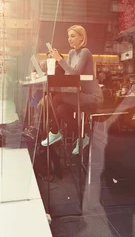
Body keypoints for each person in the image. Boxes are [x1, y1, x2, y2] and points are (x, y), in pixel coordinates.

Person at [41, 25, 103, 154]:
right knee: (60, 109)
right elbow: (68, 74)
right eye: (68, 36)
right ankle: (82, 137)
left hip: (92, 96)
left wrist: (59, 59)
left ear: (82, 37)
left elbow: (74, 73)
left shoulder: (85, 52)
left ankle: (55, 132)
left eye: (73, 36)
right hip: (80, 94)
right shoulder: (71, 53)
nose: (69, 39)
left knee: (56, 98)